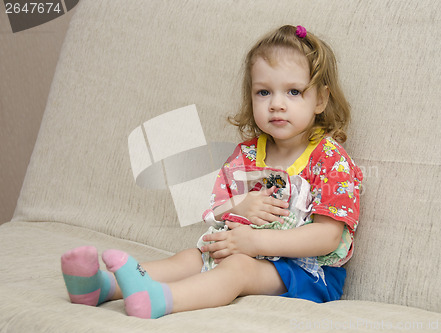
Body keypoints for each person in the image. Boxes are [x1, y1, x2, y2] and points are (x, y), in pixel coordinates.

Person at [61, 24, 363, 319]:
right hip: (245, 250)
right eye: (263, 92)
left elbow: (327, 236)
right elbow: (217, 209)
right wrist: (239, 206)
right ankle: (101, 286)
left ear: (320, 99)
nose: (276, 104)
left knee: (238, 269)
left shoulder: (330, 160)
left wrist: (255, 242)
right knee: (190, 258)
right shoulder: (247, 154)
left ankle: (164, 300)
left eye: (294, 92)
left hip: (306, 273)